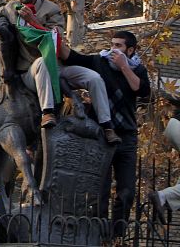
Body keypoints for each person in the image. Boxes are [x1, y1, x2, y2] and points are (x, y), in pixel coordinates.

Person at [0, 0, 118, 142]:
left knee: (94, 78)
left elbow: (55, 38)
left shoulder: (51, 9)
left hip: (56, 66)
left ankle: (107, 126)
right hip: (30, 70)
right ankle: (47, 112)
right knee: (42, 62)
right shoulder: (10, 7)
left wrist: (33, 21)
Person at [58, 31, 150, 233]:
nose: (113, 50)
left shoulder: (138, 70)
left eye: (119, 46)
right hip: (101, 135)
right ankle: (97, 234)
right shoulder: (99, 62)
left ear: (130, 50)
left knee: (127, 191)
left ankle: (117, 234)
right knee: (100, 189)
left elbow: (141, 90)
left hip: (126, 136)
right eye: (112, 45)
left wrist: (124, 66)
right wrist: (53, 36)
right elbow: (71, 57)